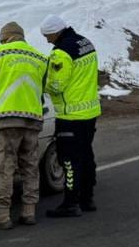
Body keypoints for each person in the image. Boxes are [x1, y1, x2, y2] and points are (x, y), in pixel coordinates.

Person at [0, 22, 48, 230]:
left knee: (3, 167)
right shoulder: (40, 57)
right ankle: (28, 211)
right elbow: (45, 85)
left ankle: (2, 215)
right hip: (33, 118)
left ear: (5, 38)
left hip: (6, 119)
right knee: (30, 166)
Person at [38, 13, 101, 217]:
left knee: (69, 159)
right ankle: (87, 198)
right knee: (86, 155)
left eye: (48, 36)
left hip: (71, 115)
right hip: (89, 111)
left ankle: (70, 202)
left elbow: (56, 85)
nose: (47, 40)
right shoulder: (85, 43)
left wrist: (43, 84)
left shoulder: (61, 53)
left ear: (56, 33)